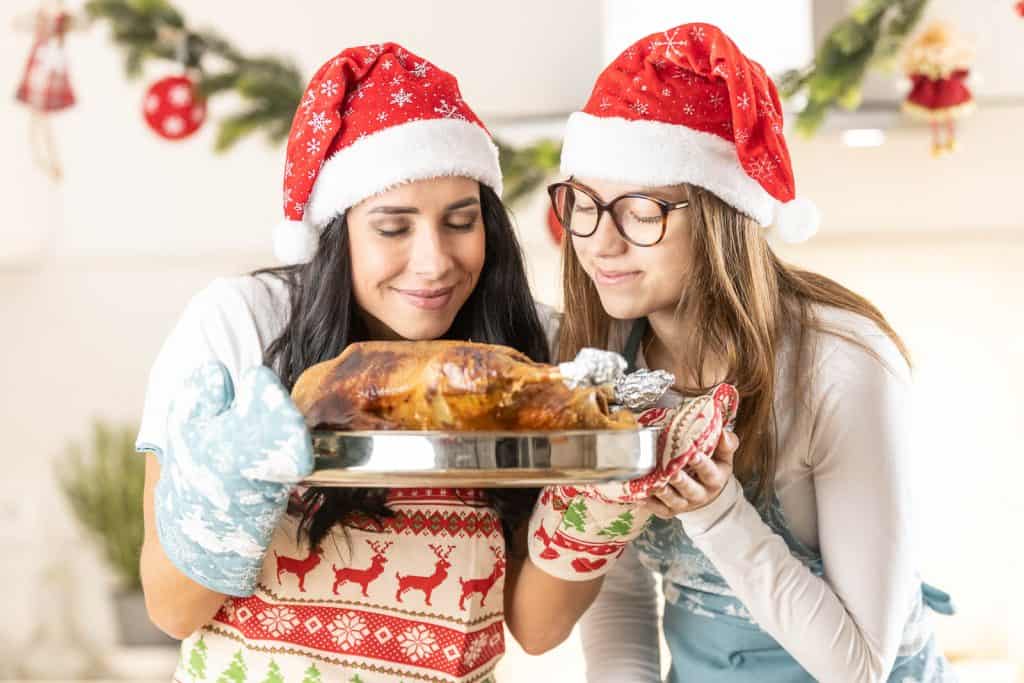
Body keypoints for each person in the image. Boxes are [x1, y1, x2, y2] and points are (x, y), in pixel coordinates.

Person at [534, 22, 956, 682]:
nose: (600, 243)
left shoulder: (841, 366)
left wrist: (716, 510)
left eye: (640, 211)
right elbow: (616, 602)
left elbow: (860, 664)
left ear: (719, 211)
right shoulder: (607, 363)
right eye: (583, 204)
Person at [136, 42, 561, 683]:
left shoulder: (524, 349)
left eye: (461, 221)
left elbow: (535, 629)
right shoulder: (243, 326)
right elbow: (170, 609)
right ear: (336, 235)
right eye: (394, 228)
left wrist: (598, 517)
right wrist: (233, 492)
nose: (435, 261)